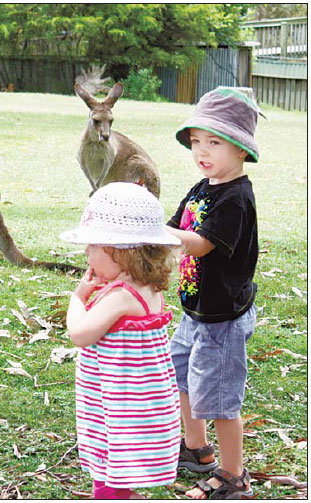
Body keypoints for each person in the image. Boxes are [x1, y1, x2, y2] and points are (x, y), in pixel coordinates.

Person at [166, 87, 262, 499]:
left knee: (220, 398)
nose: (202, 151)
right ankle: (195, 450)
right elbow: (176, 223)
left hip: (223, 318)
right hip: (196, 311)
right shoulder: (204, 185)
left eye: (214, 142)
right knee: (182, 376)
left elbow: (199, 243)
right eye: (196, 142)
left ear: (241, 150)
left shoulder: (235, 199)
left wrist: (152, 232)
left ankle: (232, 474)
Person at [61, 182, 182, 499]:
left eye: (92, 246)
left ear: (120, 250)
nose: (86, 253)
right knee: (117, 467)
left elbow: (80, 334)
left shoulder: (120, 296)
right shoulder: (147, 287)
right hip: (135, 398)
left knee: (110, 465)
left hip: (118, 404)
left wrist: (77, 298)